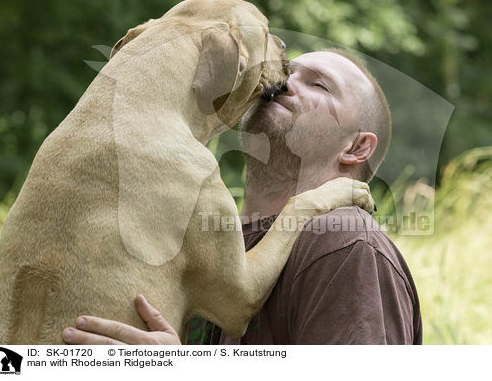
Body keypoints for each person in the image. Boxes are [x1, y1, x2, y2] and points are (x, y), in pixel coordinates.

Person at [62, 49, 423, 345]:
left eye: (318, 85)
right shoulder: (208, 241)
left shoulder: (343, 242)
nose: (283, 82)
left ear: (357, 146)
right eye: (287, 71)